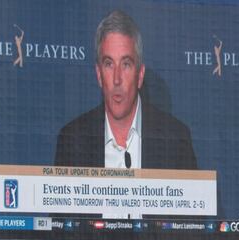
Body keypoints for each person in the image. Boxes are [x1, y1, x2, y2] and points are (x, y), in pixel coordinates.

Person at [55, 10, 196, 170]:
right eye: (109, 64)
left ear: (140, 75)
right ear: (99, 75)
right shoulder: (73, 140)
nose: (117, 79)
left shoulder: (175, 139)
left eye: (126, 64)